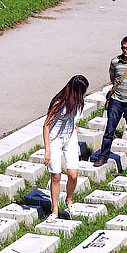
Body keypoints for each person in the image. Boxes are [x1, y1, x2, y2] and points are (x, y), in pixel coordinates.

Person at [94, 35, 127, 170]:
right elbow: (113, 78)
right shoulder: (115, 62)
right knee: (109, 130)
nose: (125, 51)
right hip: (116, 101)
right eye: (123, 48)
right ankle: (103, 156)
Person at [42, 75, 89, 221]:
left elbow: (74, 117)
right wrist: (47, 150)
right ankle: (55, 210)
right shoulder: (59, 102)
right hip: (55, 139)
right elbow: (46, 125)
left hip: (70, 137)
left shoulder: (80, 100)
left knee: (73, 174)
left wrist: (74, 126)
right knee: (56, 175)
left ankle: (69, 200)